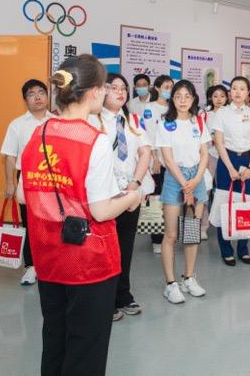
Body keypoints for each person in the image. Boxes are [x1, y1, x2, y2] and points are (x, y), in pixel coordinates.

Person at [21, 55, 142, 375]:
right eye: (105, 88)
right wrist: (133, 196)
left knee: (55, 338)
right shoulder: (94, 140)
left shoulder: (40, 132)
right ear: (94, 92)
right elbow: (101, 210)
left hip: (48, 256)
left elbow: (22, 193)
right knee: (86, 346)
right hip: (89, 261)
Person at [88, 73, 152, 321]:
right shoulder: (92, 120)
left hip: (130, 193)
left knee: (125, 247)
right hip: (104, 197)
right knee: (103, 249)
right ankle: (105, 299)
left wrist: (135, 184)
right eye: (114, 87)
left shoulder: (132, 121)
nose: (120, 92)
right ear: (101, 91)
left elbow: (145, 153)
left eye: (123, 88)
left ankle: (123, 295)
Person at [156, 80, 210, 304]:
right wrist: (184, 183)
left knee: (191, 232)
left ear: (193, 99)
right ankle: (170, 284)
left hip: (196, 177)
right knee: (171, 235)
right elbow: (167, 159)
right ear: (172, 99)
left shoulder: (199, 121)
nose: (183, 100)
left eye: (187, 96)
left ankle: (189, 278)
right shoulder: (165, 123)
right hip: (174, 178)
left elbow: (204, 153)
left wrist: (195, 180)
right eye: (178, 96)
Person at [0, 79, 54, 286]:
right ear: (25, 100)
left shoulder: (57, 121)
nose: (37, 97)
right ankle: (31, 266)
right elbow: (10, 156)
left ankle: (51, 264)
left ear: (47, 96)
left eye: (41, 92)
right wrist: (10, 183)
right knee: (30, 224)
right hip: (28, 179)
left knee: (53, 223)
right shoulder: (17, 125)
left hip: (54, 178)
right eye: (32, 94)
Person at [212, 76, 250, 266]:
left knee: (244, 205)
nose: (238, 92)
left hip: (247, 160)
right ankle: (226, 250)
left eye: (242, 88)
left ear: (248, 93)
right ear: (230, 92)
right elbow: (219, 143)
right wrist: (231, 168)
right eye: (234, 88)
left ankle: (243, 248)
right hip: (227, 160)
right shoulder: (221, 113)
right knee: (225, 203)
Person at [142, 75, 174, 253]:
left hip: (173, 161)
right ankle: (156, 239)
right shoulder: (150, 108)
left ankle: (169, 235)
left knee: (170, 200)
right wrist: (155, 158)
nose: (169, 90)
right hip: (157, 161)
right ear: (157, 88)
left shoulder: (173, 107)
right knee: (156, 199)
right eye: (166, 87)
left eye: (171, 87)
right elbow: (148, 134)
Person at [198, 85, 229, 236]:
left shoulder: (231, 114)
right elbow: (199, 136)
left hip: (226, 157)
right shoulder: (204, 115)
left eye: (222, 96)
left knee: (224, 191)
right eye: (215, 96)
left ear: (227, 98)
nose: (219, 99)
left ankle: (224, 224)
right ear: (210, 97)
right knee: (205, 191)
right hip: (208, 156)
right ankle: (203, 226)